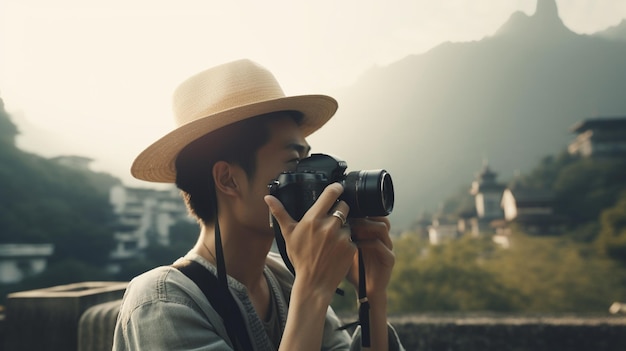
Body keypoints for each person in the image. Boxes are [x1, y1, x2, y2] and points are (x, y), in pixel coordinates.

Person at [113, 59, 404, 350]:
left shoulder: (286, 280)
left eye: (310, 161)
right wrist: (312, 289)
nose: (318, 179)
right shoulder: (162, 302)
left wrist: (372, 297)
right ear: (228, 180)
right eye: (294, 162)